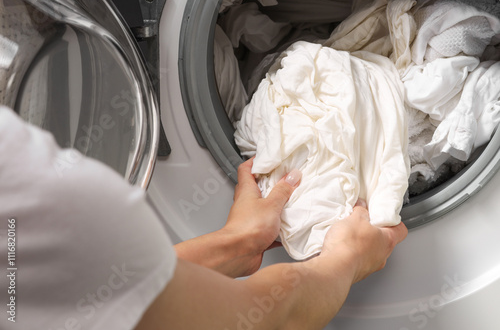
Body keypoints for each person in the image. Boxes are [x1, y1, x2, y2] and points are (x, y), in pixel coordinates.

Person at [0, 106, 407, 330]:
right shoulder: (28, 193)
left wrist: (236, 242)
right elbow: (269, 318)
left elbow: (71, 290)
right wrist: (348, 256)